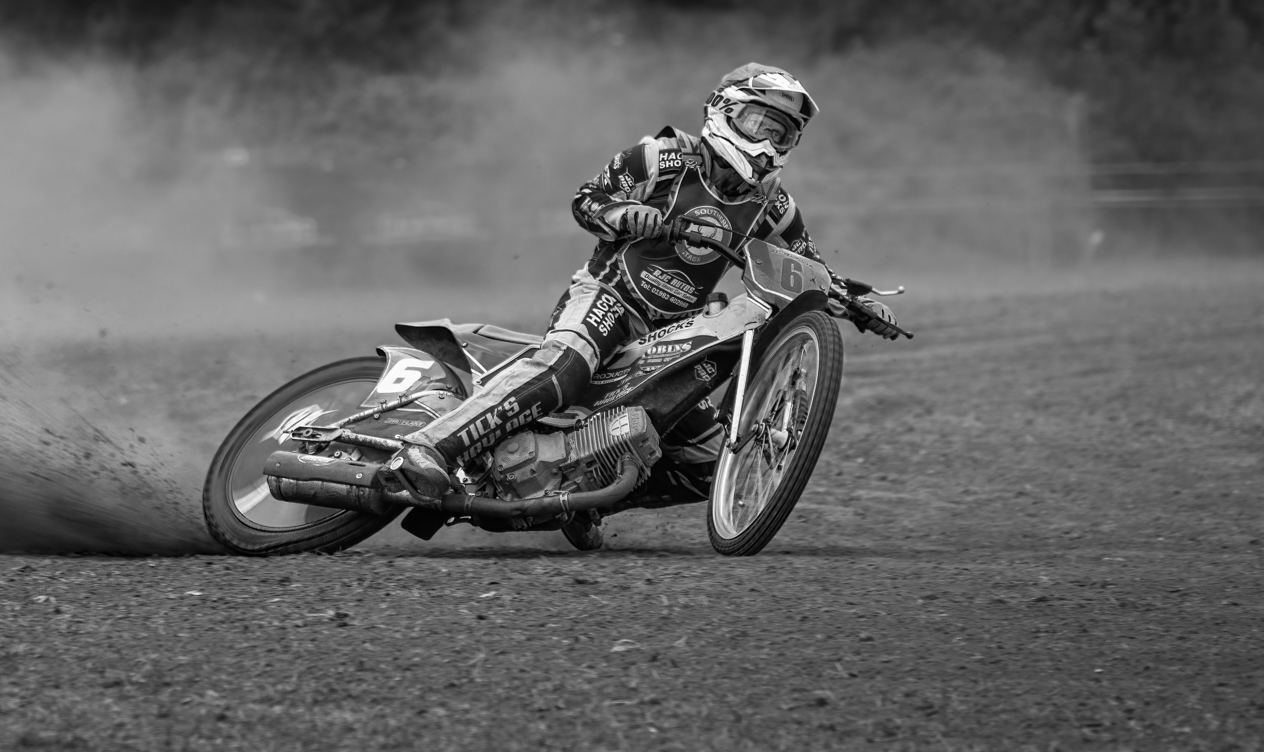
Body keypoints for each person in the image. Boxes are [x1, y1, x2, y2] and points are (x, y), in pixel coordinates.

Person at [385, 62, 898, 497]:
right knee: (565, 372)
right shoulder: (660, 156)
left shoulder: (775, 207)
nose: (767, 142)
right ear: (722, 110)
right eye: (758, 122)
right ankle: (429, 448)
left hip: (674, 333)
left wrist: (857, 300)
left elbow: (807, 267)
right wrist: (625, 214)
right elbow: (586, 201)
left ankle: (585, 493)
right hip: (608, 298)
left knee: (712, 465)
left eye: (781, 133)